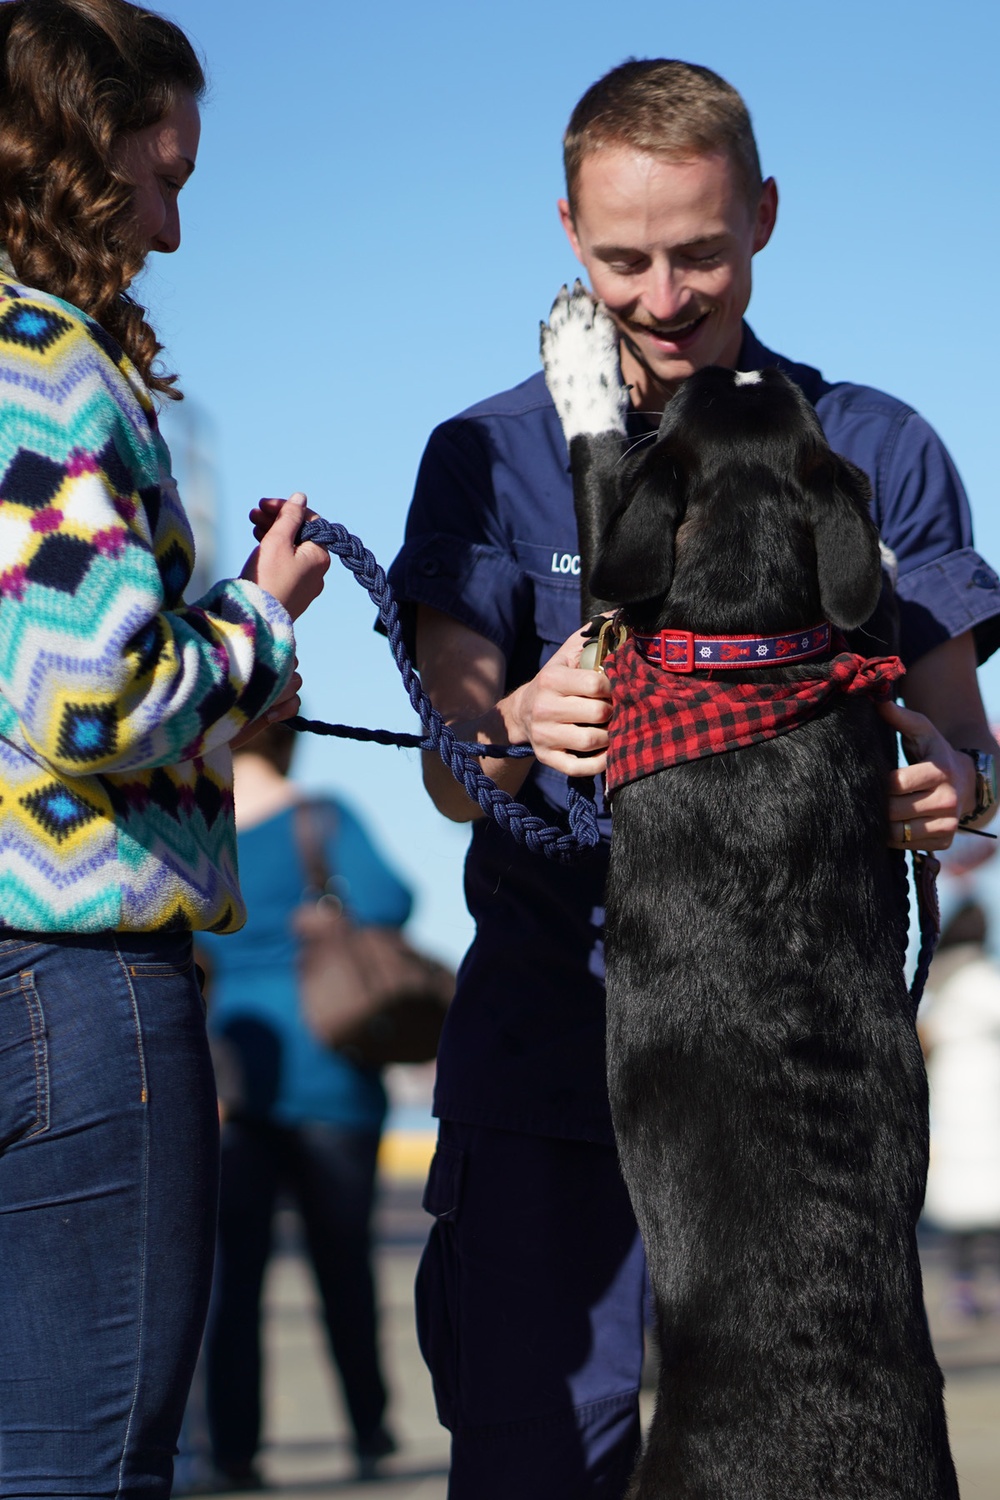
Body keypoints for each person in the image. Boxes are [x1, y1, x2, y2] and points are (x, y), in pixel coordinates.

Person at [386, 59, 1000, 1500]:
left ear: (767, 216)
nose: (665, 297)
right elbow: (450, 771)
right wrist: (517, 723)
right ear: (566, 231)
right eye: (623, 259)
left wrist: (952, 786)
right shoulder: (485, 457)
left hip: (792, 1091)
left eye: (702, 252)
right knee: (547, 1469)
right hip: (552, 1056)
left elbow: (967, 747)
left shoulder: (877, 446)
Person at [0, 2, 329, 1493]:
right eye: (161, 176)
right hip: (70, 971)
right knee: (86, 1465)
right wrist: (260, 616)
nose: (173, 228)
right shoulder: (43, 363)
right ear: (74, 156)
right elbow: (86, 689)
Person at [197, 721, 411, 1488]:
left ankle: (234, 1453)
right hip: (333, 1076)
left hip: (228, 1079)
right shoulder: (321, 816)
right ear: (291, 742)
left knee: (233, 1281)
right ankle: (371, 1435)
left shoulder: (198, 826)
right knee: (344, 1268)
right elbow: (390, 900)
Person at [921, 900, 1000, 1322]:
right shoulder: (986, 982)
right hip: (989, 1106)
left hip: (951, 1108)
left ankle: (962, 1291)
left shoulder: (940, 987)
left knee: (961, 1218)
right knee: (991, 1210)